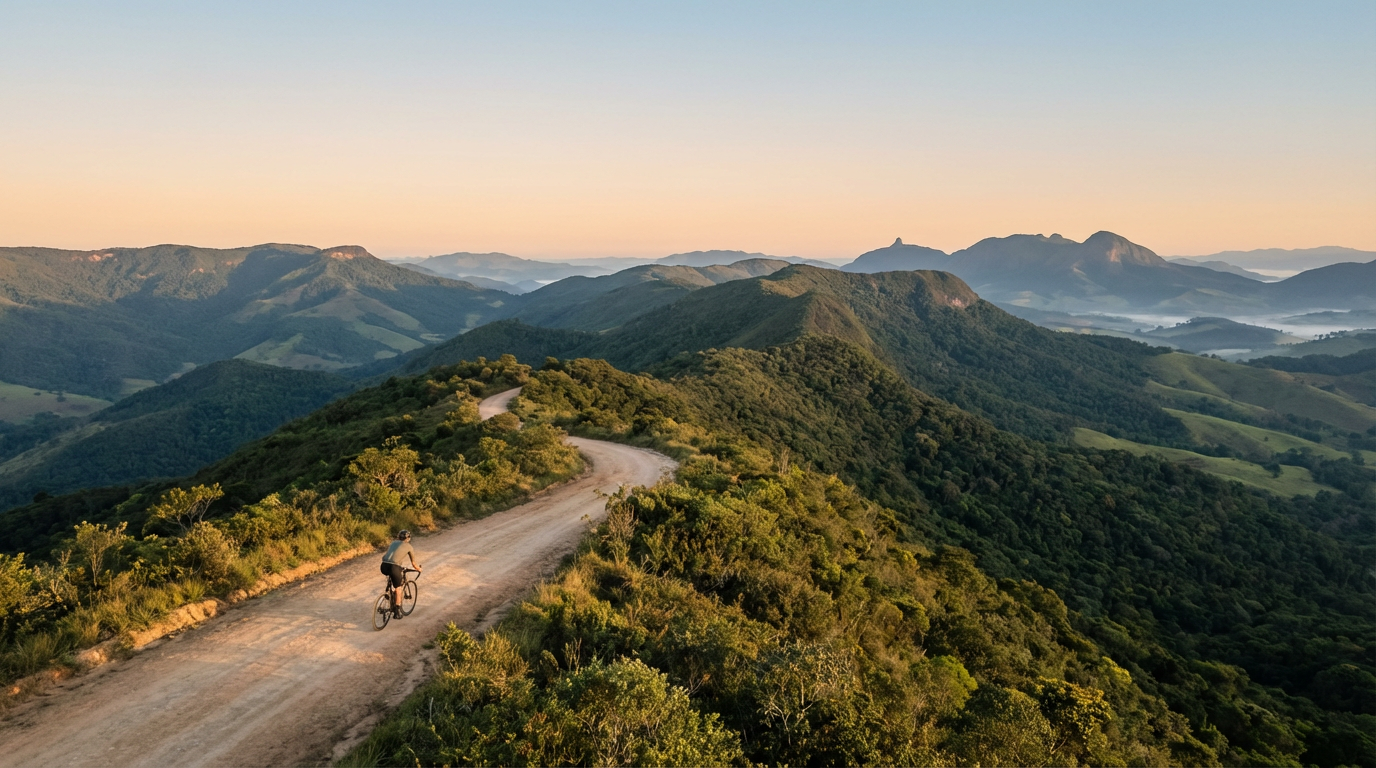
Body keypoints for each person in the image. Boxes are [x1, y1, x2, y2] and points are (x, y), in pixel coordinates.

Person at [380, 530, 422, 617]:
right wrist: (419, 569)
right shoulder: (409, 547)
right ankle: (397, 612)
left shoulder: (393, 543)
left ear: (398, 537)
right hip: (394, 567)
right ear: (408, 538)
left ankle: (389, 592)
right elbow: (414, 564)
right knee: (398, 589)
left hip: (383, 566)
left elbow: (385, 556)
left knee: (392, 580)